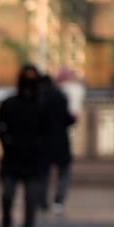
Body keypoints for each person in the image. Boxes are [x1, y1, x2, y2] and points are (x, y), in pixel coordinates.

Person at [0, 64, 48, 227]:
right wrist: (6, 141)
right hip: (12, 158)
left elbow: (50, 130)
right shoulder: (11, 103)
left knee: (31, 200)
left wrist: (41, 146)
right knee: (7, 196)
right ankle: (6, 226)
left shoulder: (42, 104)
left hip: (34, 160)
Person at [39, 73, 76, 214]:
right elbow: (68, 118)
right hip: (60, 141)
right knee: (64, 172)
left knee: (42, 173)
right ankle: (58, 201)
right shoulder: (60, 96)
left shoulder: (38, 98)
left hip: (43, 143)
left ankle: (41, 201)